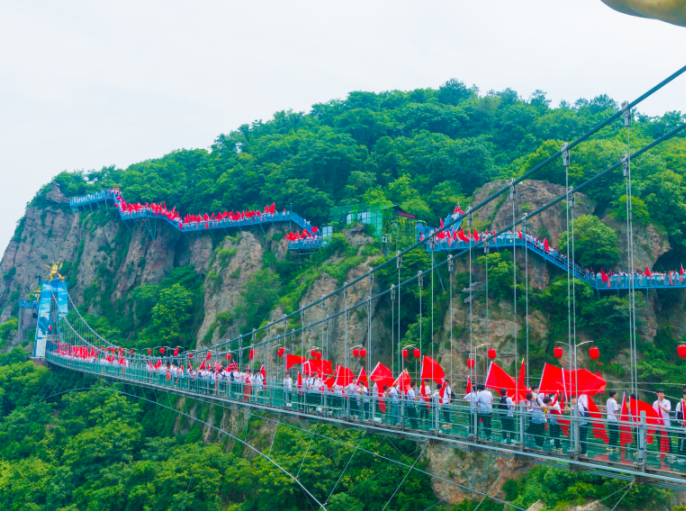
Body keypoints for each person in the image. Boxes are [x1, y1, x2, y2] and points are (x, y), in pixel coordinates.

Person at [653, 389, 672, 454]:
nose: (662, 395)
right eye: (660, 394)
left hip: (666, 424)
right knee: (659, 439)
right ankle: (661, 453)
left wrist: (661, 407)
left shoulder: (667, 402)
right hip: (658, 424)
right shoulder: (655, 403)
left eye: (663, 393)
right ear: (657, 395)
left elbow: (668, 411)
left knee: (668, 439)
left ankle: (670, 453)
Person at [675, 388, 686, 464]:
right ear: (683, 395)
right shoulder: (680, 404)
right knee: (681, 440)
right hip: (682, 425)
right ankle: (680, 455)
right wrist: (680, 422)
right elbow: (676, 415)